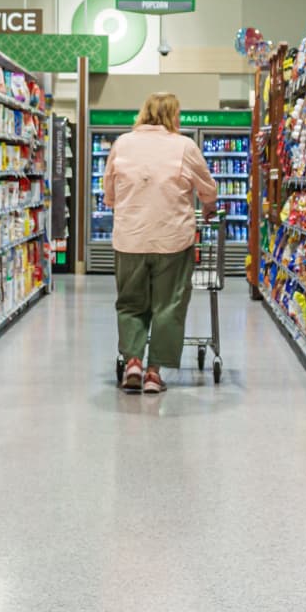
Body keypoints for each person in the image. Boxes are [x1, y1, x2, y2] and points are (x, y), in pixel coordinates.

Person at [101, 91, 218, 394]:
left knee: (130, 304)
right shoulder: (184, 146)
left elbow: (109, 194)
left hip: (130, 240)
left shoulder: (122, 144)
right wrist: (208, 205)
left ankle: (133, 363)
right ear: (171, 116)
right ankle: (154, 373)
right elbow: (208, 187)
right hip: (173, 241)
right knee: (169, 305)